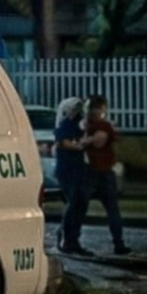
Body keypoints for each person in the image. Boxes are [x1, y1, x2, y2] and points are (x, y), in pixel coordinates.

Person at [85, 94, 130, 255]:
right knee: (111, 209)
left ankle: (68, 239)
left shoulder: (86, 125)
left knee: (78, 206)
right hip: (100, 171)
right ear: (102, 108)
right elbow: (100, 141)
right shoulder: (102, 125)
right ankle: (118, 243)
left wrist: (84, 140)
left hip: (92, 170)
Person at [55, 97, 91, 255]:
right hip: (67, 170)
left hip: (78, 170)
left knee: (81, 203)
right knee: (74, 201)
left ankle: (73, 239)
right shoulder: (65, 125)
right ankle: (65, 235)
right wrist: (79, 145)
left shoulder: (80, 126)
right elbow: (63, 142)